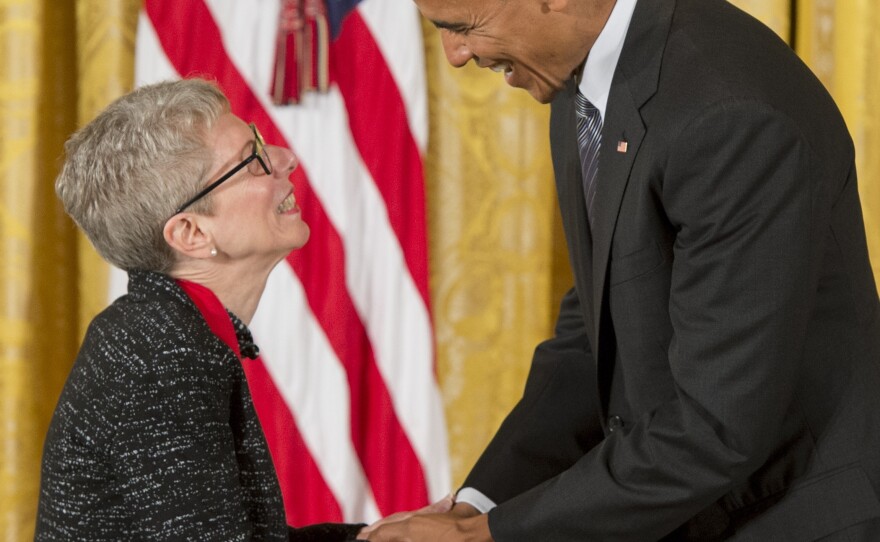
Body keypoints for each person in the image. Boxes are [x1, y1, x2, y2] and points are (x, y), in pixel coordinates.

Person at [361, 0, 880, 540]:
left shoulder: (728, 115)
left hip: (789, 518)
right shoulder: (587, 80)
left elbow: (714, 428)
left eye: (462, 28)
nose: (455, 56)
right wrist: (476, 504)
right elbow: (599, 331)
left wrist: (488, 536)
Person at [35, 78, 365, 541]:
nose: (285, 159)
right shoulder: (159, 354)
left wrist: (373, 537)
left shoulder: (160, 330)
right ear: (191, 233)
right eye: (251, 161)